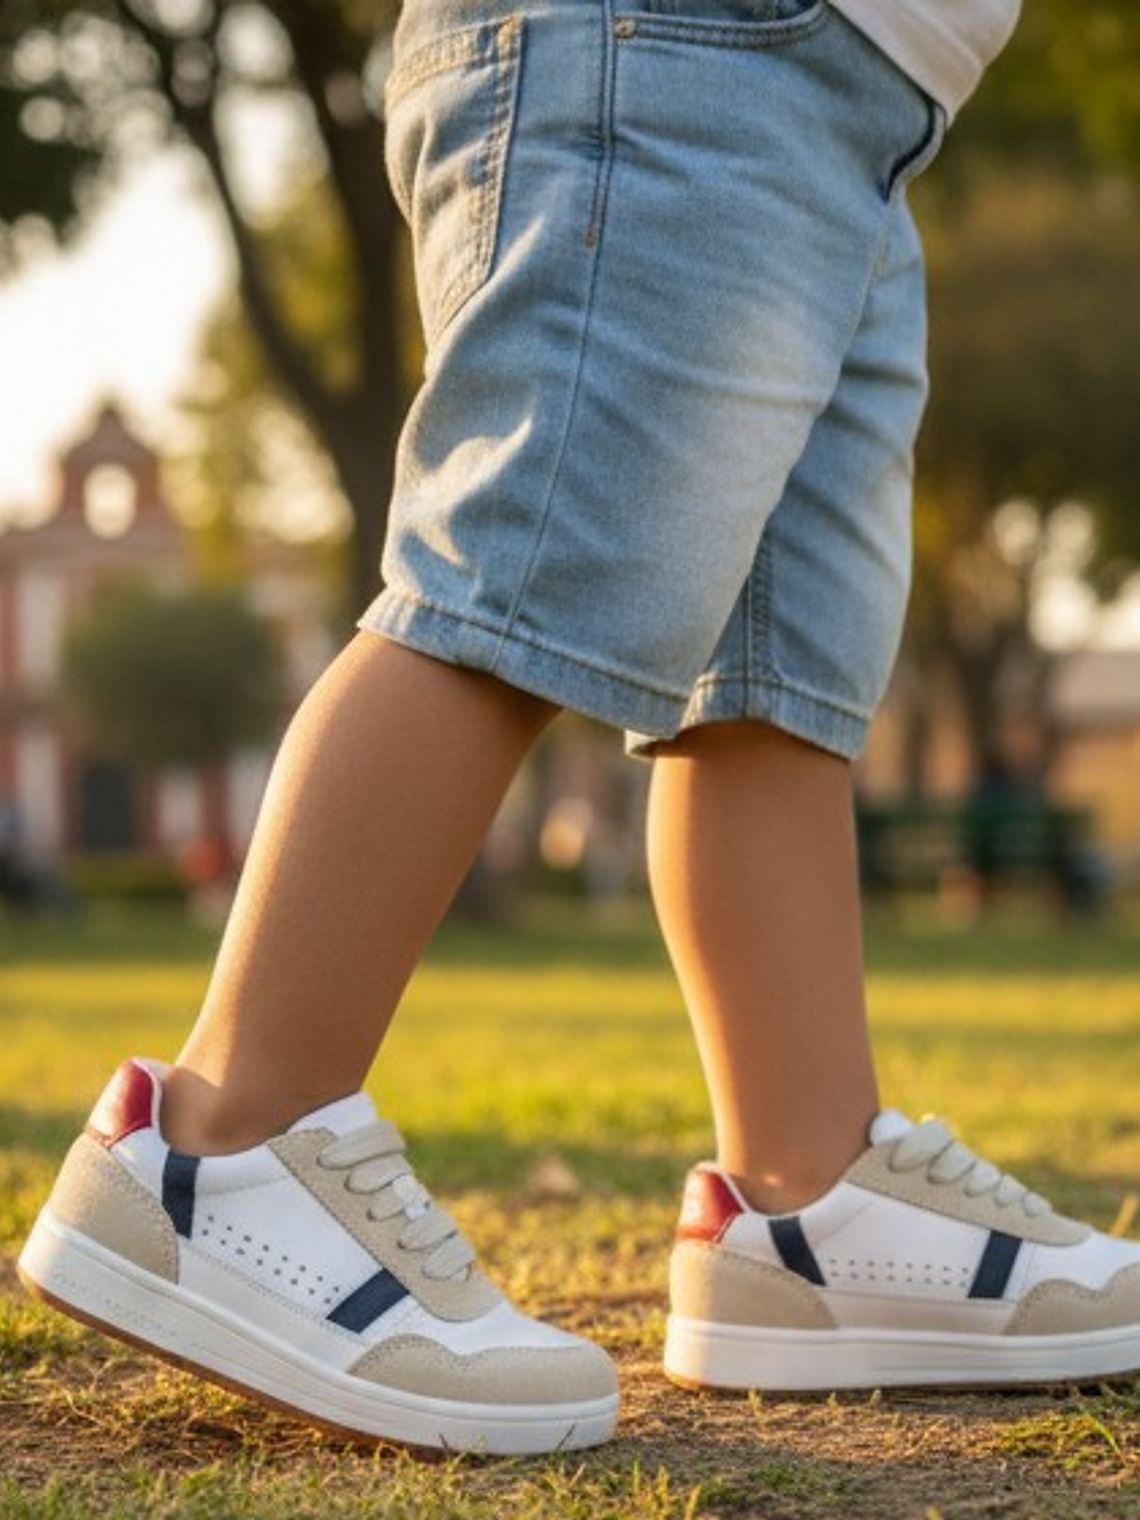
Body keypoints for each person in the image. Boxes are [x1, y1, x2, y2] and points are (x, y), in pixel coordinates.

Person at [20, 0, 1140, 1457]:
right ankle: (219, 1146)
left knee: (774, 673)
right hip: (685, 44)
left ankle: (809, 1204)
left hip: (861, 102)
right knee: (529, 570)